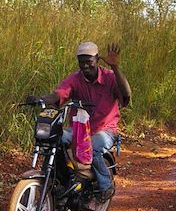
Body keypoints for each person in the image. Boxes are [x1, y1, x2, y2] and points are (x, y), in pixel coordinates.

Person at [31, 41, 132, 201]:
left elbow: (126, 95)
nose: (85, 66)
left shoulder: (110, 78)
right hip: (78, 129)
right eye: (81, 62)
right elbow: (59, 94)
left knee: (92, 146)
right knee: (55, 138)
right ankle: (60, 182)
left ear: (97, 59)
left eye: (89, 62)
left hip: (104, 129)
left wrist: (115, 67)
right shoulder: (75, 79)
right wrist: (41, 99)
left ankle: (106, 185)